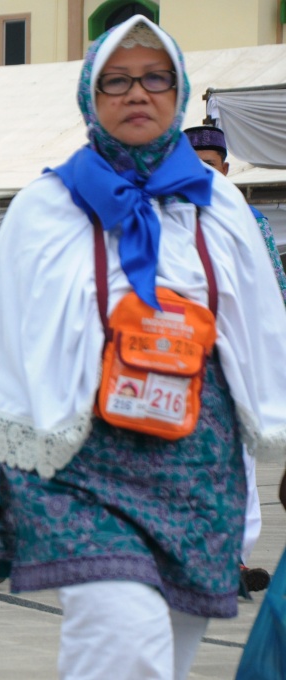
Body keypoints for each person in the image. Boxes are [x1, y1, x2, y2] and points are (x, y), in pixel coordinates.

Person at [0, 16, 286, 680]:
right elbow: (1, 339)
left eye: (155, 79)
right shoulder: (47, 206)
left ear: (178, 93)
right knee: (123, 641)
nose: (137, 93)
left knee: (167, 653)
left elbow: (265, 336)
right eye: (117, 80)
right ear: (89, 96)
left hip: (198, 467)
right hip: (83, 465)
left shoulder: (219, 206)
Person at [185, 123, 286, 596]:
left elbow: (274, 294)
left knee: (239, 462)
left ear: (225, 169)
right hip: (179, 364)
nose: (202, 174)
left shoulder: (252, 223)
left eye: (210, 166)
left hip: (237, 363)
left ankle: (235, 557)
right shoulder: (163, 220)